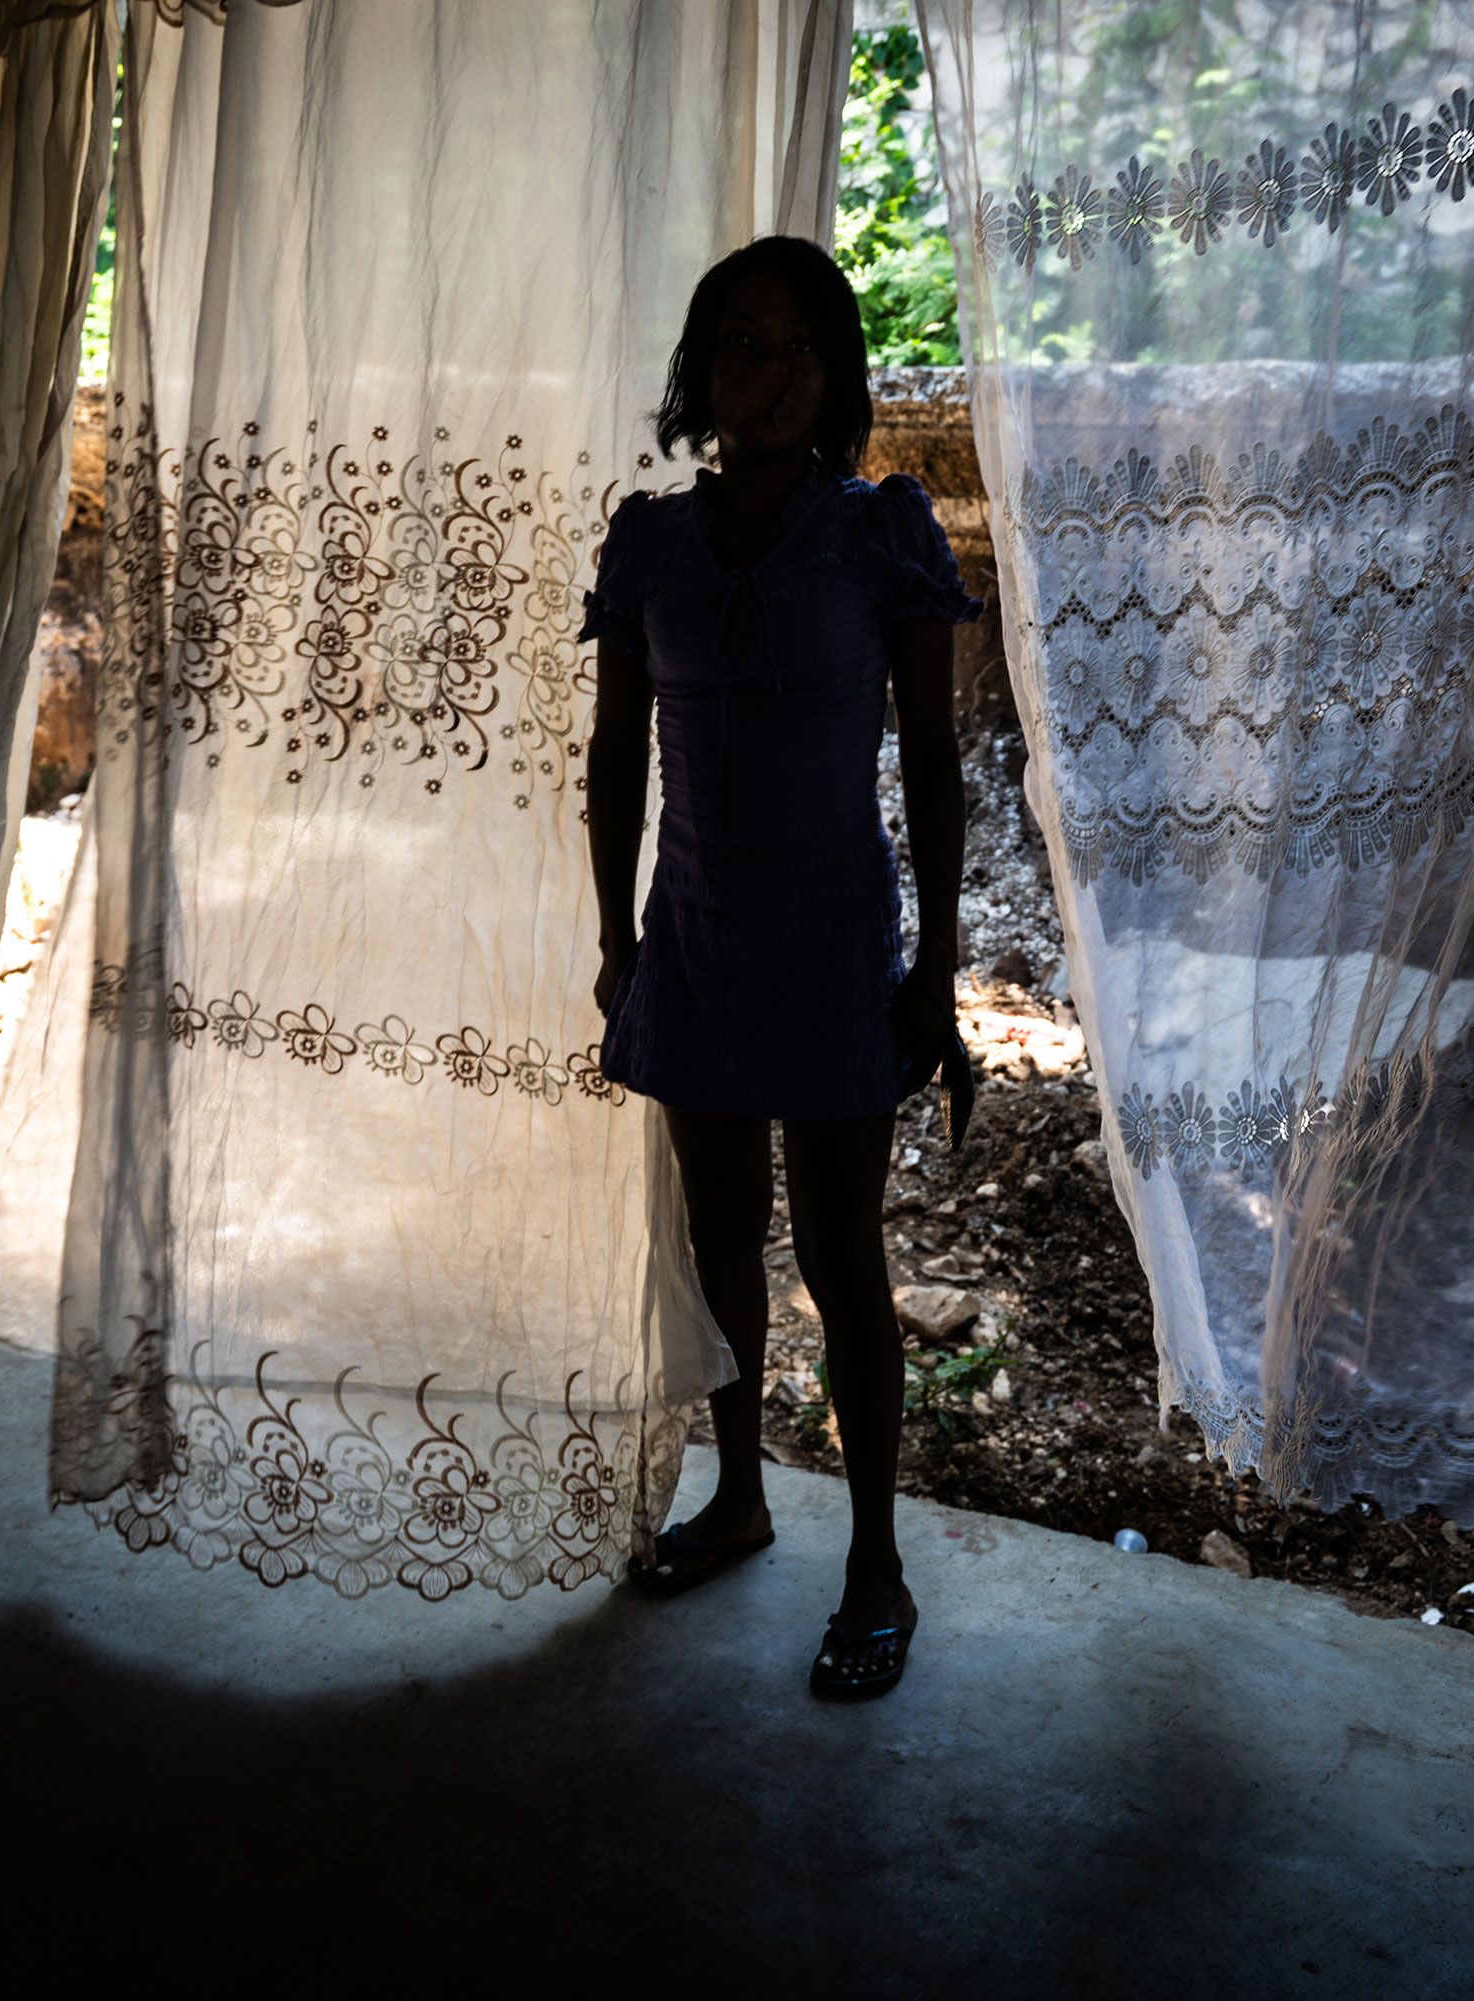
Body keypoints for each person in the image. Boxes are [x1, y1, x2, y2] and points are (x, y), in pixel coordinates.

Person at [580, 235, 980, 1701]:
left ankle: (876, 1557)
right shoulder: (650, 544)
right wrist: (617, 946)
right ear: (705, 371)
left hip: (829, 955)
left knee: (843, 1262)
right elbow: (617, 754)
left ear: (839, 375)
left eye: (805, 345)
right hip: (693, 943)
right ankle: (741, 1493)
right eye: (747, 343)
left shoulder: (881, 532)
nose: (777, 371)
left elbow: (934, 769)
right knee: (717, 1247)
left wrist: (936, 966)